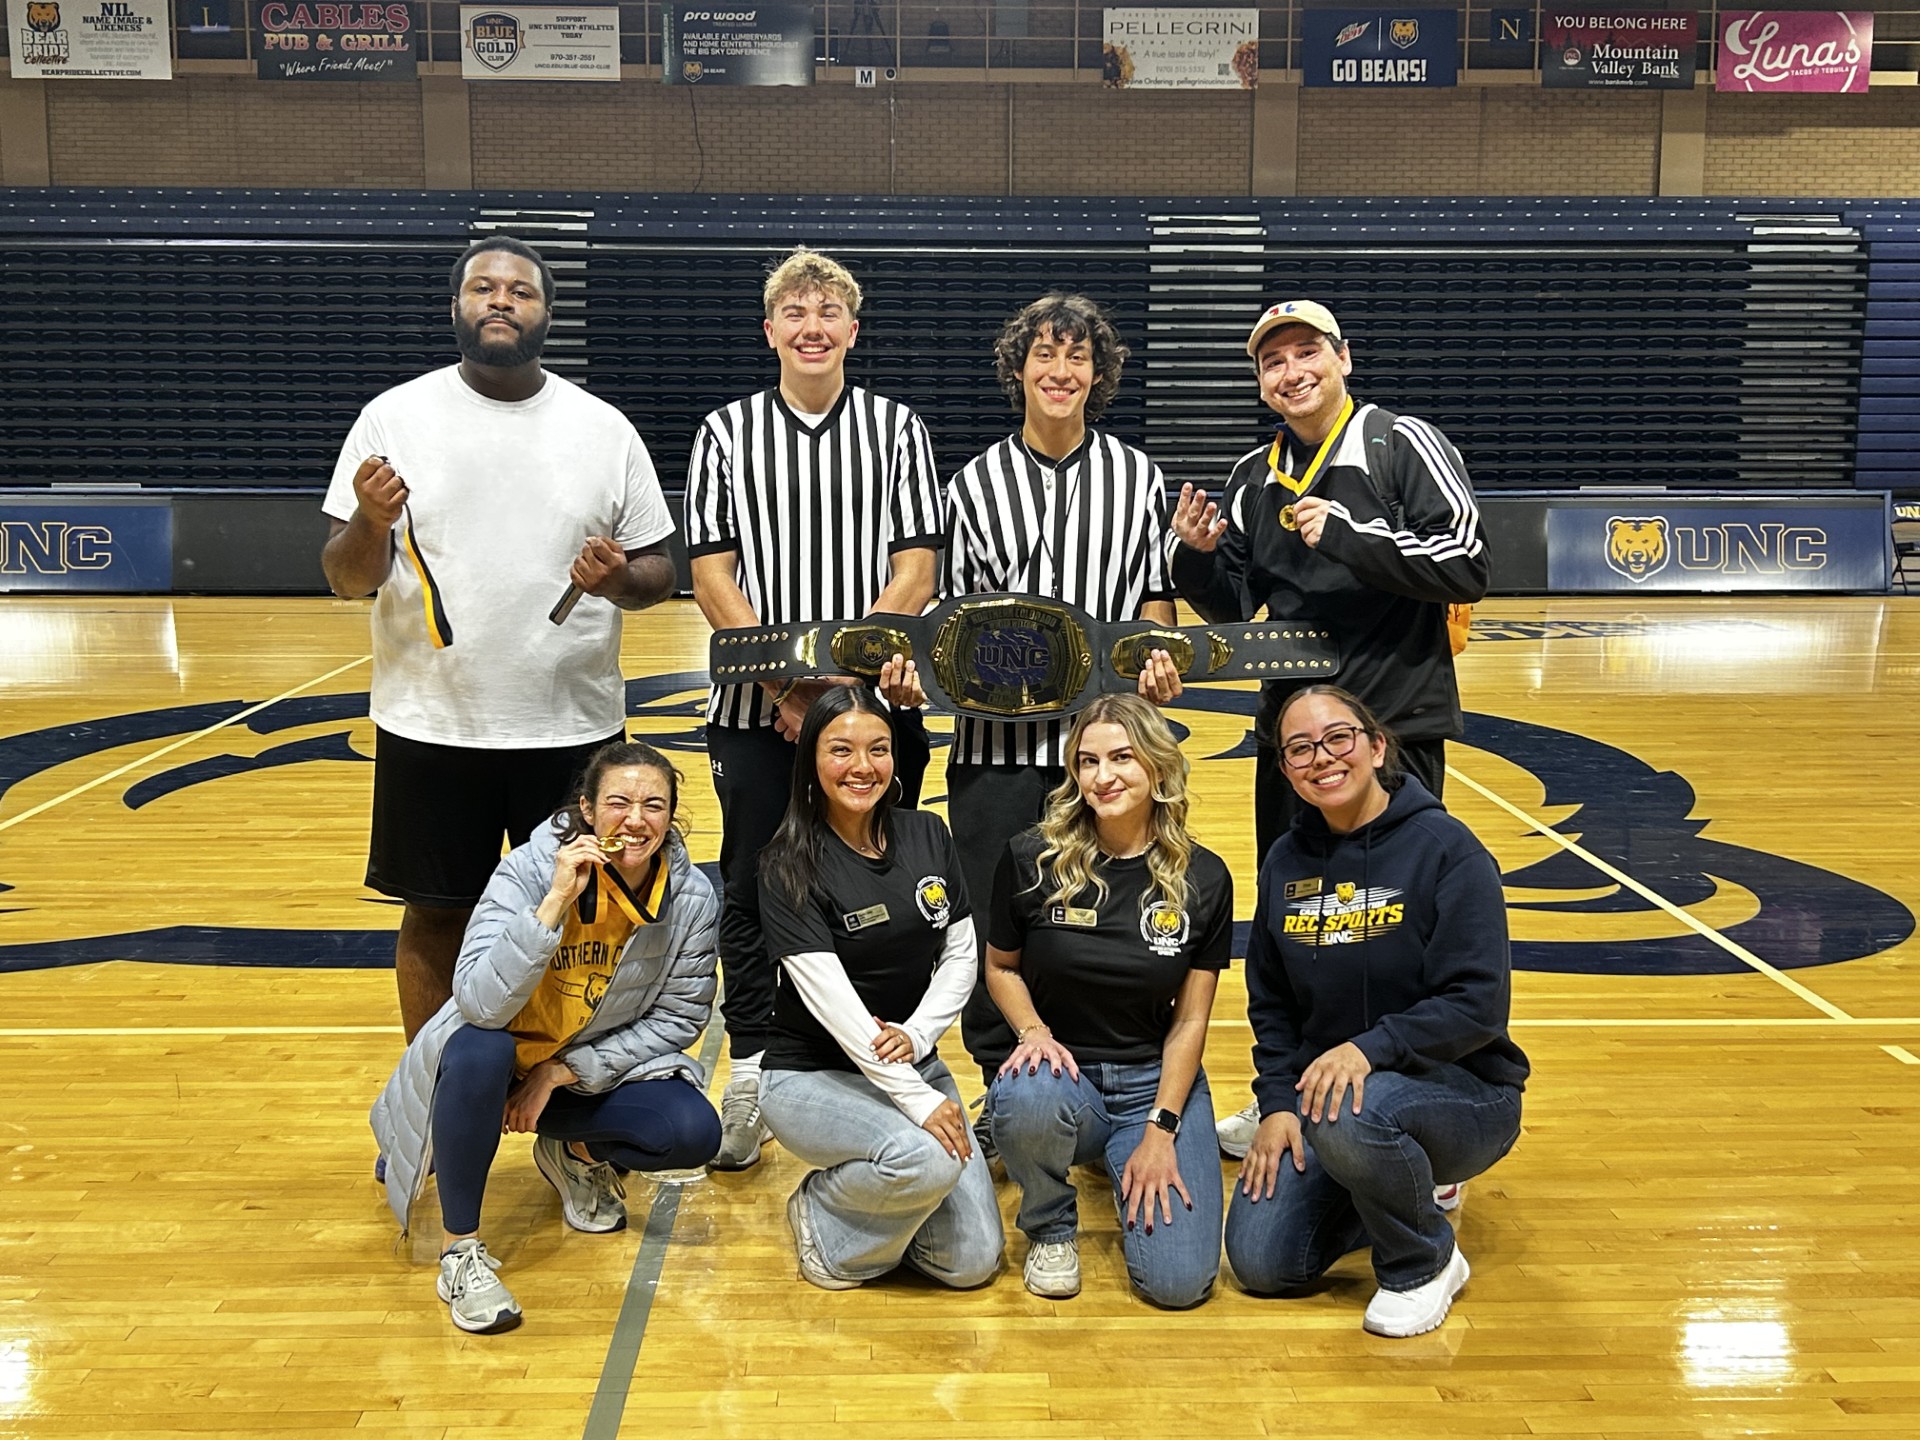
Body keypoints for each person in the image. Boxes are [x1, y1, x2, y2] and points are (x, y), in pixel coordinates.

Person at [322, 235, 678, 1042]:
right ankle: (438, 1099)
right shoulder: (394, 417)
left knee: (586, 924)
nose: (501, 300)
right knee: (437, 920)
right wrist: (372, 521)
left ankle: (570, 1112)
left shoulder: (603, 428)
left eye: (520, 291)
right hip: (434, 724)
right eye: (483, 287)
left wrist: (617, 577)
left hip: (573, 728)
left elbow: (661, 573)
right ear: (457, 306)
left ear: (546, 313)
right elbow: (347, 577)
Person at [1168, 299, 1489, 1157]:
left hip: (1393, 728)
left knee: (1399, 925)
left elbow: (1468, 561)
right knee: (1297, 922)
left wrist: (1356, 535)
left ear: (1343, 357)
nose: (1292, 371)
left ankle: (1419, 1113)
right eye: (1273, 362)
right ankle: (1294, 1092)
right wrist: (1196, 557)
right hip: (1293, 738)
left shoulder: (1398, 443)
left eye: (1306, 352)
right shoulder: (1253, 474)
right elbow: (1232, 603)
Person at [686, 247, 945, 1171]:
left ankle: (902, 1047)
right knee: (756, 886)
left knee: (886, 872)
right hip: (756, 709)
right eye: (794, 310)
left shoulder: (899, 429)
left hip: (875, 703)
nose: (812, 324)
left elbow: (915, 568)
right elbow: (712, 573)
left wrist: (842, 694)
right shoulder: (724, 433)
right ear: (771, 331)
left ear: (851, 331)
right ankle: (754, 1062)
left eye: (828, 310)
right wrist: (783, 686)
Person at [369, 741, 722, 1334]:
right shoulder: (531, 869)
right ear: (587, 810)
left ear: (671, 816)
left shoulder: (691, 897)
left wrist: (564, 1071)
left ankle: (574, 1151)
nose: (635, 821)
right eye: (619, 803)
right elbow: (478, 1002)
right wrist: (554, 901)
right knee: (483, 1049)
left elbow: (680, 1020)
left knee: (690, 1133)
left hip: (575, 1069)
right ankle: (461, 1253)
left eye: (654, 806)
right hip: (495, 1058)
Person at [942, 293, 1183, 1125]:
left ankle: (1103, 1079)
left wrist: (1158, 658)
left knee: (1102, 915)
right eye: (1045, 356)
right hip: (995, 750)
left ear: (1098, 374)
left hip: (1107, 750)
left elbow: (1157, 599)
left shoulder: (1138, 478)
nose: (1060, 371)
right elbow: (953, 625)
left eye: (1077, 357)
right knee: (992, 919)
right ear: (1019, 370)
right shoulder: (972, 483)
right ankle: (999, 1086)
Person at [1222, 685, 1528, 1337]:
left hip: (1464, 1094)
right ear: (1285, 770)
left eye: (1338, 738)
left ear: (1377, 745)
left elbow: (1477, 1005)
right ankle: (1404, 1184)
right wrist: (1277, 1103)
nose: (1321, 758)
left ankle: (1424, 1260)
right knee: (1263, 1261)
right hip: (1334, 1104)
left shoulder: (1447, 849)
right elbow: (1271, 1005)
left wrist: (1369, 1048)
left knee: (1353, 1109)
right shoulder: (1285, 860)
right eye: (1299, 748)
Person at [756, 684, 1003, 1291]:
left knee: (969, 1264)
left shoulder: (927, 833)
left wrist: (918, 1037)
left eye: (879, 749)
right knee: (922, 1157)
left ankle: (895, 1200)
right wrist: (919, 1104)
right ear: (811, 759)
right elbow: (836, 1007)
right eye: (841, 750)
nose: (862, 767)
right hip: (812, 1074)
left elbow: (961, 953)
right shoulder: (787, 861)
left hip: (910, 1059)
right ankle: (826, 1215)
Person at [985, 694, 1230, 1306]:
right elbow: (999, 967)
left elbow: (1191, 1018)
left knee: (1179, 1285)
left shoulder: (1204, 877)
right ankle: (1050, 1225)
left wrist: (1162, 1129)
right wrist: (1033, 1033)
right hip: (1065, 1075)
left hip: (1153, 1081)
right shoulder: (1031, 857)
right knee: (1024, 1090)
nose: (1104, 777)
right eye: (1088, 761)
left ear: (1157, 766)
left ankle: (1116, 1155)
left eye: (1122, 757)